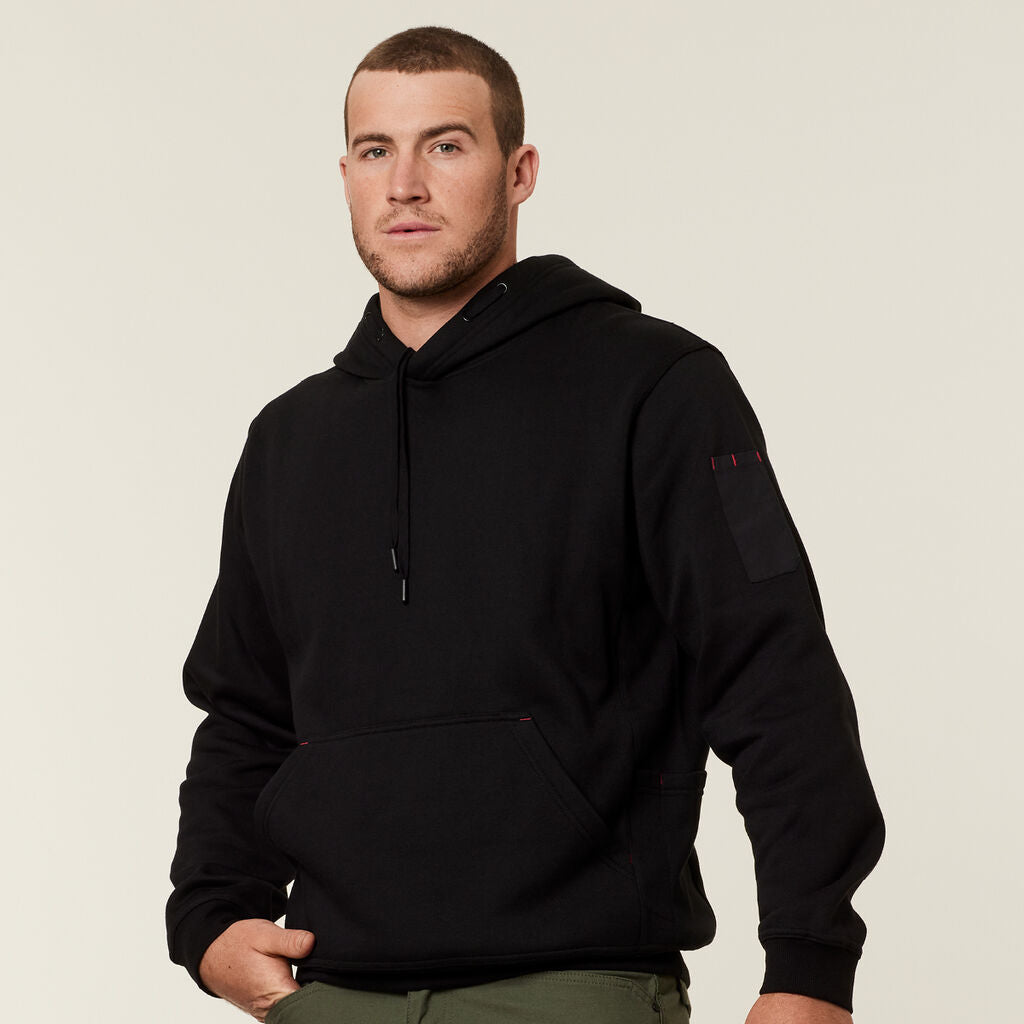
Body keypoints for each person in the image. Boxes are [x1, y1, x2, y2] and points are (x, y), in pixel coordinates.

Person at [166, 25, 885, 1024]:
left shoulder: (657, 387)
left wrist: (809, 967)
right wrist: (210, 918)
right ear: (346, 176)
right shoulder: (290, 439)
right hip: (329, 992)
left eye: (445, 145)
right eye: (376, 150)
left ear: (519, 171)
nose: (405, 184)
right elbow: (244, 712)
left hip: (573, 988)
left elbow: (775, 674)